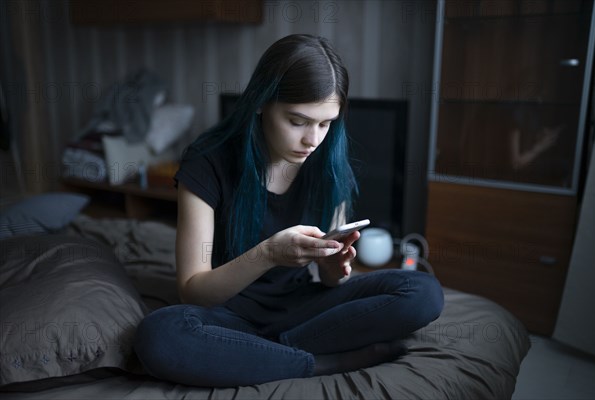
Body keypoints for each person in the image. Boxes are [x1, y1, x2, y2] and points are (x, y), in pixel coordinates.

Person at [134, 34, 444, 388]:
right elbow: (192, 290)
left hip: (303, 310)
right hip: (227, 313)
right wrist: (268, 253)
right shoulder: (207, 162)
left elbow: (332, 281)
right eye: (298, 121)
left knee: (423, 292)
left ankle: (258, 355)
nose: (312, 140)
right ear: (261, 103)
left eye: (326, 124)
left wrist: (332, 268)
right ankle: (321, 363)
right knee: (160, 334)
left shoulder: (328, 162)